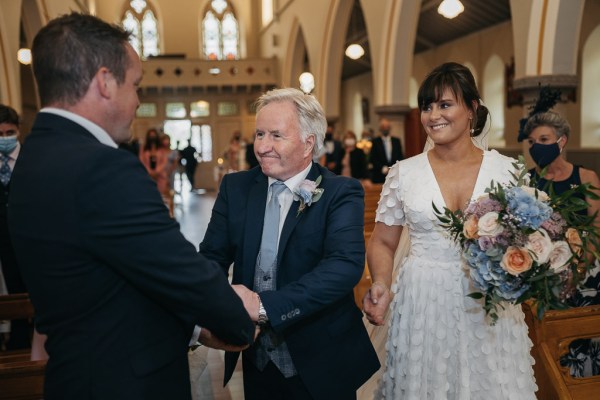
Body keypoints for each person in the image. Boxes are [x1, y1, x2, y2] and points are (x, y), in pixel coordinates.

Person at [8, 12, 255, 400]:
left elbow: (109, 286)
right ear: (105, 82)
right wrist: (237, 320)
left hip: (75, 375)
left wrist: (191, 328)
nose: (139, 100)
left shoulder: (34, 156)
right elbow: (174, 268)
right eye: (135, 85)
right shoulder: (101, 167)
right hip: (124, 384)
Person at [362, 62, 537, 399]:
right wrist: (381, 283)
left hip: (489, 302)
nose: (432, 115)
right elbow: (383, 241)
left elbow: (528, 242)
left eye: (444, 104)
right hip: (422, 302)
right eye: (427, 106)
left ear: (471, 109)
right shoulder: (404, 173)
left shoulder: (509, 171)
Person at [199, 87, 379, 400]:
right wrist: (214, 306)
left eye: (276, 136)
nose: (262, 147)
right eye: (259, 134)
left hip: (322, 356)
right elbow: (212, 258)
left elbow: (343, 267)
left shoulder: (340, 192)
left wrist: (263, 307)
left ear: (309, 142)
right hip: (256, 358)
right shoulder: (236, 188)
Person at [522, 111, 600, 377]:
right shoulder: (527, 182)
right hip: (542, 277)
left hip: (584, 274)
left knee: (581, 340)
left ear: (562, 141)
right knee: (545, 346)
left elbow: (597, 229)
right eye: (532, 142)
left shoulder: (586, 177)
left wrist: (577, 270)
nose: (536, 147)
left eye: (544, 139)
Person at [0, 104, 32, 350]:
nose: (4, 139)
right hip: (2, 243)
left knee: (27, 294)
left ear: (18, 131)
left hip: (28, 240)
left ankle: (24, 341)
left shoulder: (32, 159)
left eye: (9, 134)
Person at [369, 118, 403, 183]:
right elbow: (373, 158)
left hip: (395, 175)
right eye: (383, 127)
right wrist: (383, 168)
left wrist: (393, 168)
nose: (385, 128)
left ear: (390, 128)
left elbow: (400, 156)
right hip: (380, 176)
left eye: (387, 126)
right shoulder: (375, 142)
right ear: (380, 128)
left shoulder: (396, 141)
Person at [140, 128, 169, 194]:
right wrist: (149, 171)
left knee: (160, 195)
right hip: (147, 175)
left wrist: (156, 171)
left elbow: (164, 161)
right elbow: (141, 160)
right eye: (150, 136)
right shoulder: (143, 148)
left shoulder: (161, 148)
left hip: (160, 176)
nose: (152, 138)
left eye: (154, 136)